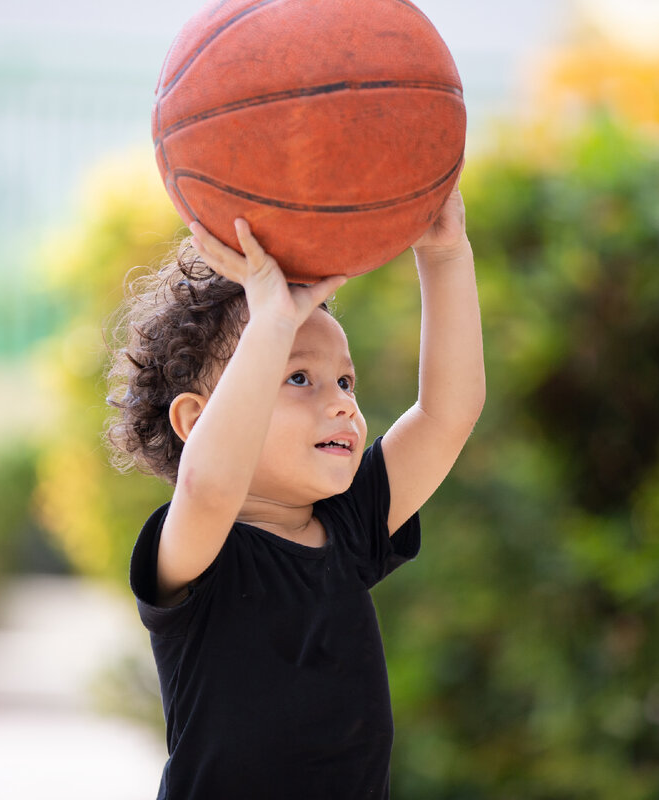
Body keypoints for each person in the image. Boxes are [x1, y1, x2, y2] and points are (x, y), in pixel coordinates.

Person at [105, 187, 484, 799]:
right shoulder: (201, 550)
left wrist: (444, 256)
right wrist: (272, 322)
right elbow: (209, 483)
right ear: (197, 421)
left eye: (345, 381)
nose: (340, 401)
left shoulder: (351, 525)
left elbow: (449, 412)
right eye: (298, 376)